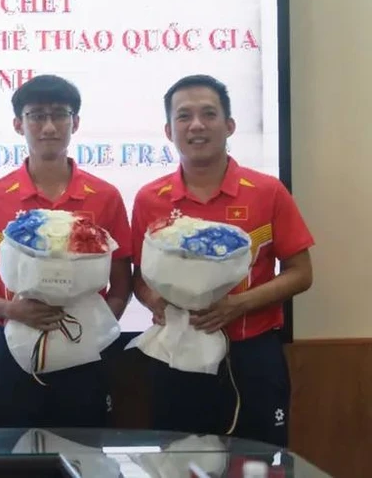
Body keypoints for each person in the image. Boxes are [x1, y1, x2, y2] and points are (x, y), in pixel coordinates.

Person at [131, 74, 313, 447]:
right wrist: (158, 304)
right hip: (178, 354)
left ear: (229, 125)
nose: (196, 125)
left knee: (259, 466)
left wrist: (238, 304)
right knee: (178, 466)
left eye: (208, 114)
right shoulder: (150, 198)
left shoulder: (267, 191)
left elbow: (301, 273)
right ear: (169, 130)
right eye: (184, 116)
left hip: (252, 355)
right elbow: (138, 278)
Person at [0, 74, 133, 428]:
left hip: (85, 348)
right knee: (13, 458)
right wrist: (12, 310)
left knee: (87, 452)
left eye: (60, 115)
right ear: (18, 124)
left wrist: (97, 328)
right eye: (37, 116)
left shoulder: (105, 195)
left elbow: (122, 283)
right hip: (11, 346)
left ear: (75, 123)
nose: (49, 126)